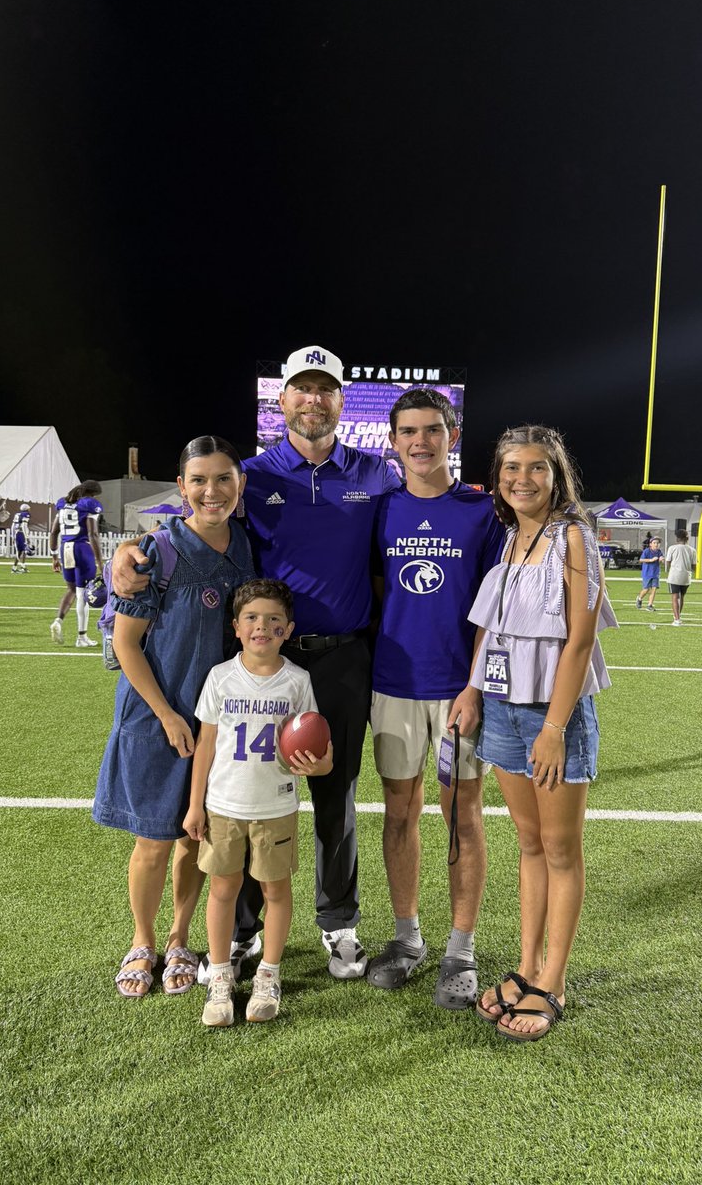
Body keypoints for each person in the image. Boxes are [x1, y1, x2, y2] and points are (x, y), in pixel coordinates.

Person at [112, 345, 400, 980]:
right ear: (283, 399)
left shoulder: (375, 473)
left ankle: (339, 924)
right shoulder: (253, 475)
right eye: (302, 388)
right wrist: (129, 547)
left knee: (335, 793)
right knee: (242, 793)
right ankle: (243, 930)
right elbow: (195, 517)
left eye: (325, 389)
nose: (313, 400)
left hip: (343, 658)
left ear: (341, 401)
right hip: (265, 658)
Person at [466, 425, 616, 1043]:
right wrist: (472, 688)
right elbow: (491, 628)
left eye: (535, 468)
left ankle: (553, 980)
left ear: (557, 476)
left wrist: (554, 728)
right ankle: (526, 966)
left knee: (559, 849)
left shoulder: (574, 537)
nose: (521, 479)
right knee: (528, 843)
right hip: (502, 706)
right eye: (511, 469)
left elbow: (579, 641)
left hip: (552, 714)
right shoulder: (511, 536)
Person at [92, 436, 254, 998]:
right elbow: (126, 644)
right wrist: (165, 714)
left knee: (193, 836)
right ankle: (142, 940)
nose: (212, 491)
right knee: (152, 841)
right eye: (199, 480)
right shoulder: (155, 551)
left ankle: (180, 938)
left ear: (240, 485)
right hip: (155, 718)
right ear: (181, 487)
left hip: (215, 725)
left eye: (224, 479)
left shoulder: (245, 546)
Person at [366, 388, 504, 1008]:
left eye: (432, 430)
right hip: (393, 685)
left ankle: (460, 948)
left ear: (453, 436)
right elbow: (377, 590)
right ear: (393, 442)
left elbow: (494, 610)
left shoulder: (481, 511)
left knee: (461, 815)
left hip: (458, 691)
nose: (420, 442)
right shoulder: (381, 510)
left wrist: (474, 685)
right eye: (409, 432)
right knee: (399, 811)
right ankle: (407, 937)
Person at [184, 579, 333, 1025]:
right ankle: (220, 975)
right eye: (251, 618)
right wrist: (194, 805)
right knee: (222, 888)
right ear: (235, 626)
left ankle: (269, 972)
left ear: (289, 629)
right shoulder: (220, 677)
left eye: (273, 619)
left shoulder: (298, 680)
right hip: (223, 804)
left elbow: (318, 745)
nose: (261, 627)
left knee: (276, 891)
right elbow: (205, 746)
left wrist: (320, 765)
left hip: (276, 805)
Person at [50, 481, 104, 647]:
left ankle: (58, 621)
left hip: (65, 548)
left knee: (72, 589)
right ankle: (81, 637)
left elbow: (54, 532)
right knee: (82, 593)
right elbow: (93, 534)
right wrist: (100, 561)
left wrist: (54, 556)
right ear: (92, 494)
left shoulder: (63, 503)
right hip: (82, 549)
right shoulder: (89, 504)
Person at [665, 529, 696, 625]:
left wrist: (672, 568)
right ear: (687, 538)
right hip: (686, 576)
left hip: (674, 575)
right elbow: (694, 566)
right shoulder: (692, 550)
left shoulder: (672, 548)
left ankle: (677, 619)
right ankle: (677, 617)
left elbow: (668, 561)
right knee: (681, 597)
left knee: (675, 597)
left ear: (677, 538)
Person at [635, 536, 663, 612]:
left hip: (656, 573)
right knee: (646, 589)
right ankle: (639, 598)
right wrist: (651, 560)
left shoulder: (659, 551)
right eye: (654, 543)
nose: (656, 544)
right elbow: (641, 560)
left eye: (657, 543)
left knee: (654, 589)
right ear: (650, 544)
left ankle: (649, 605)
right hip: (647, 573)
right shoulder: (647, 551)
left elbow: (661, 559)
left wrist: (661, 559)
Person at [11, 504, 31, 574]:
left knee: (23, 551)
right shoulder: (26, 514)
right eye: (29, 508)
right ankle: (14, 568)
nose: (29, 510)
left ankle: (22, 567)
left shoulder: (17, 514)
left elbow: (13, 526)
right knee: (20, 551)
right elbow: (24, 526)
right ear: (26, 509)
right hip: (21, 533)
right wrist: (27, 537)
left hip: (17, 533)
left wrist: (13, 536)